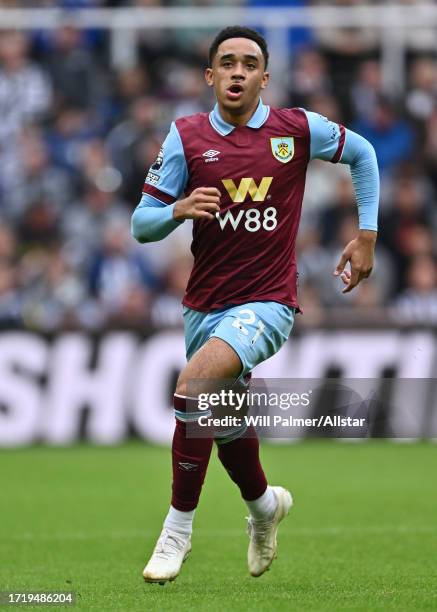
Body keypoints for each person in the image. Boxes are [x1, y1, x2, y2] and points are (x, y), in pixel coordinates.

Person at [131, 26, 379, 584]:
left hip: (268, 302)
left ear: (265, 78)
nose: (238, 72)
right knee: (221, 422)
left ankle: (177, 530)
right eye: (227, 63)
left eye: (249, 64)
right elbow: (139, 224)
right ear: (210, 76)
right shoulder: (186, 138)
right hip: (204, 308)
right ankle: (265, 507)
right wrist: (176, 210)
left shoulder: (294, 129)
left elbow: (362, 153)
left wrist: (367, 234)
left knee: (192, 385)